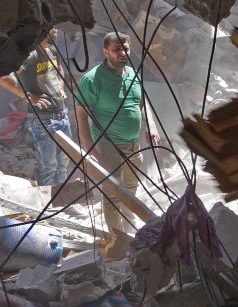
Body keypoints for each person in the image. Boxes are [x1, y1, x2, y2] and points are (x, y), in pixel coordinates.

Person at [75, 32, 160, 259]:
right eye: (116, 50)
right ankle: (117, 242)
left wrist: (151, 125)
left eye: (125, 49)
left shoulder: (132, 74)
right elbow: (81, 115)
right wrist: (90, 149)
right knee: (113, 195)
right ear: (105, 52)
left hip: (134, 145)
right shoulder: (93, 79)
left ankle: (132, 233)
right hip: (109, 146)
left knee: (131, 189)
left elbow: (143, 103)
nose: (122, 54)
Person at [0, 29, 72, 202]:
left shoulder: (53, 50)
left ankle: (59, 201)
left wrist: (60, 88)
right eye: (52, 27)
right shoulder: (31, 55)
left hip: (61, 114)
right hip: (43, 118)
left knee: (63, 162)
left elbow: (60, 70)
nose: (55, 30)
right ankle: (46, 204)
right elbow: (3, 76)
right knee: (48, 165)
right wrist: (27, 96)